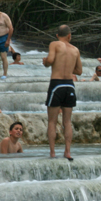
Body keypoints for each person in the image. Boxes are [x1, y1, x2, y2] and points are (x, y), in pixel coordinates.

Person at [42, 24, 82, 160]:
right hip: (70, 85)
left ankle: (53, 153)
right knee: (67, 122)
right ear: (70, 36)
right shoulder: (75, 49)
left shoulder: (54, 44)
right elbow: (79, 71)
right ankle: (67, 152)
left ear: (57, 36)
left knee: (52, 121)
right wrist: (68, 66)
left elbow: (51, 61)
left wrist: (46, 62)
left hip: (57, 84)